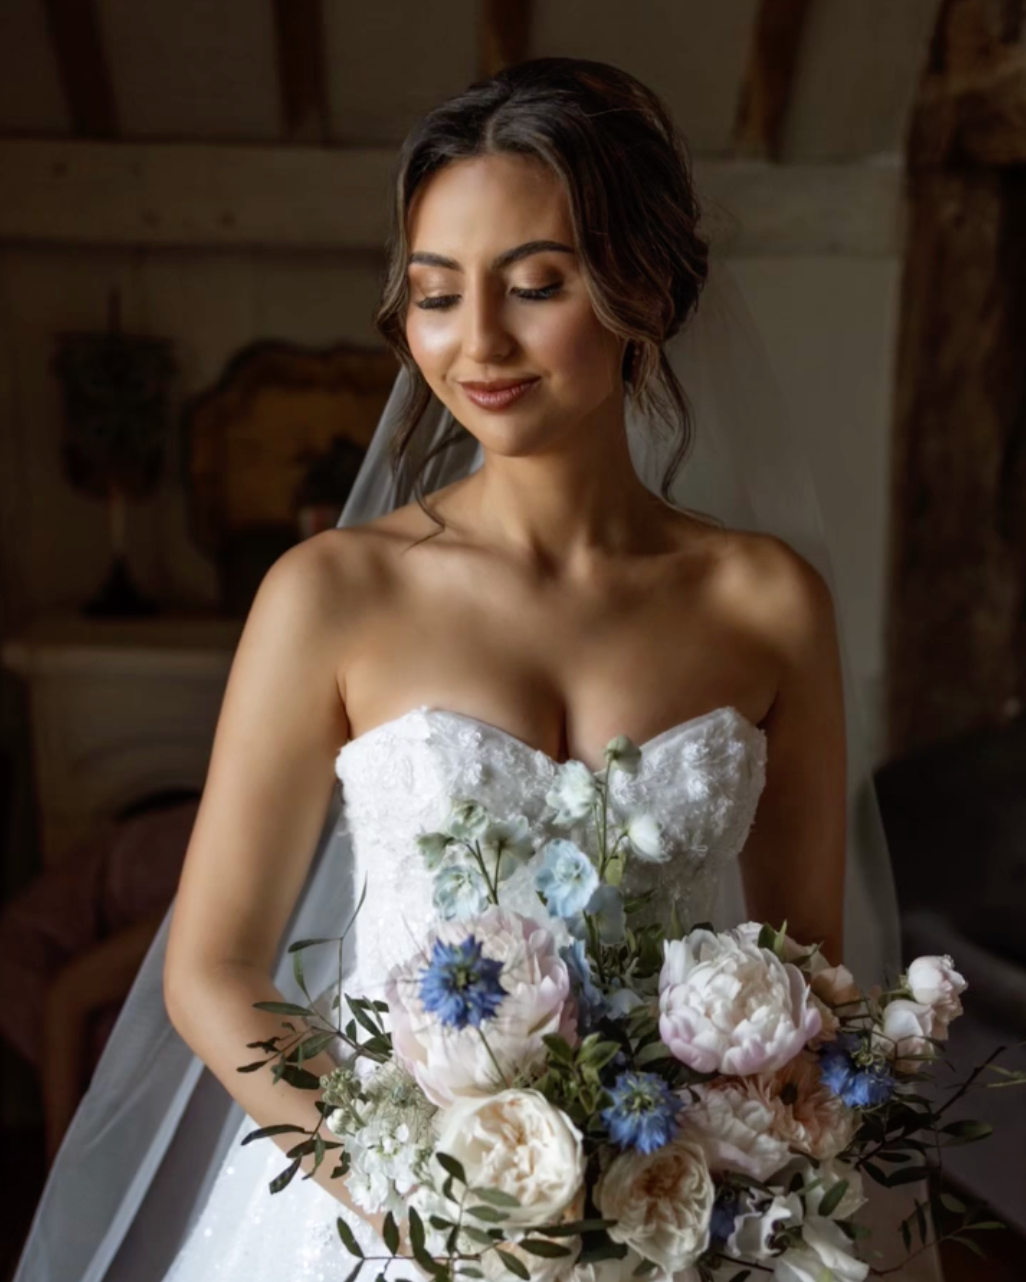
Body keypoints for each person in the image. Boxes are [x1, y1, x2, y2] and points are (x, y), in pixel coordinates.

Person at [13, 57, 915, 1281]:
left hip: (675, 1222)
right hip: (384, 1224)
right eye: (437, 294)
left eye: (535, 286)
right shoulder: (332, 593)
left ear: (641, 287)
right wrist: (424, 1207)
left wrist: (708, 1186)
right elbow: (214, 969)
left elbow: (810, 974)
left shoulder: (764, 602)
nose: (476, 340)